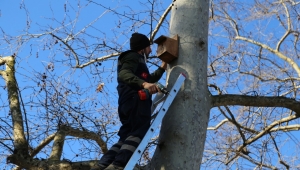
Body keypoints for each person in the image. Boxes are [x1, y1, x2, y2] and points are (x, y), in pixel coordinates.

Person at [93, 33, 167, 170]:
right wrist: (144, 85)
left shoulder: (138, 61)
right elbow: (124, 74)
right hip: (136, 100)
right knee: (137, 133)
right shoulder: (133, 57)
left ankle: (102, 165)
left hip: (128, 102)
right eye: (148, 47)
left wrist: (162, 68)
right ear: (141, 48)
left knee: (125, 137)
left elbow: (148, 79)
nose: (151, 50)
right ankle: (118, 165)